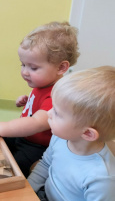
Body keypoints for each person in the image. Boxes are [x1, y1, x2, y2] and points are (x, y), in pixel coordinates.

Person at [0, 22, 79, 177]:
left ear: (61, 68)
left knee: (11, 168)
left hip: (37, 147)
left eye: (33, 68)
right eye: (23, 65)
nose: (25, 72)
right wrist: (28, 101)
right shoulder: (43, 82)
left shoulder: (57, 95)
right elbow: (40, 106)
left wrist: (0, 127)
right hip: (24, 136)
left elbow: (36, 122)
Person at [28, 66, 115, 201]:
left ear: (87, 133)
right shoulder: (60, 137)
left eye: (57, 112)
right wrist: (28, 190)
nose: (48, 113)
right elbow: (45, 164)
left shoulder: (102, 179)